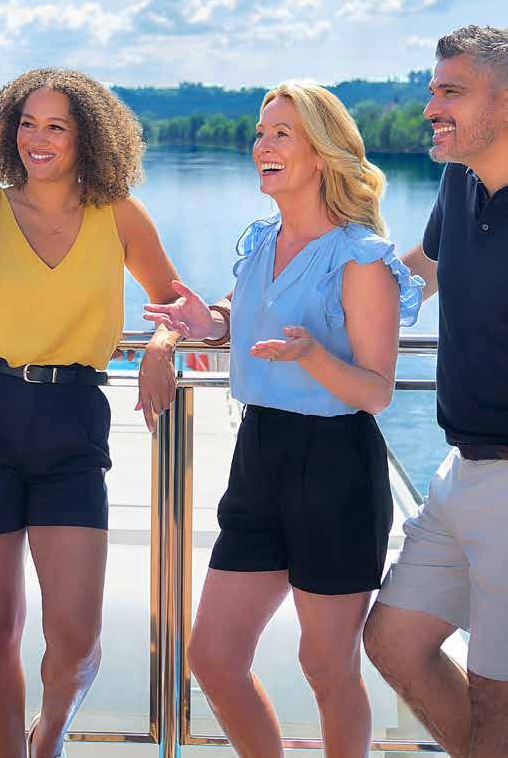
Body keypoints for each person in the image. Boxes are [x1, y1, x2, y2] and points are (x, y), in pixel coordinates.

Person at [144, 80, 423, 758]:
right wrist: (206, 321)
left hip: (336, 465)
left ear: (322, 154)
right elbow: (245, 314)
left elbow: (377, 392)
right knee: (213, 656)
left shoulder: (362, 257)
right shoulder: (263, 240)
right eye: (260, 132)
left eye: (281, 134)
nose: (262, 145)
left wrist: (312, 357)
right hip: (259, 454)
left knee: (326, 666)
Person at [0, 68, 182, 758]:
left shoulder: (119, 215)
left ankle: (48, 738)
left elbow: (175, 302)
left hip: (73, 419)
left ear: (87, 137)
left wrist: (160, 345)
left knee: (76, 638)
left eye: (56, 126)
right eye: (27, 123)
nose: (37, 139)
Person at [363, 26, 508, 758]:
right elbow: (421, 269)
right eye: (432, 90)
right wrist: (283, 304)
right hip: (461, 469)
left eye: (451, 91)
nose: (430, 108)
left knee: (496, 696)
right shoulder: (460, 179)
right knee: (393, 639)